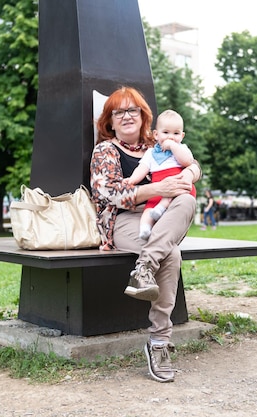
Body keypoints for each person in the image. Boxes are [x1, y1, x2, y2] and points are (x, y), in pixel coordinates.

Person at [90, 86, 201, 383]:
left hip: (162, 219)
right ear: (110, 122)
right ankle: (160, 342)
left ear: (143, 117)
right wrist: (157, 189)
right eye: (119, 112)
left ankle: (144, 268)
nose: (127, 116)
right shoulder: (105, 150)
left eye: (133, 110)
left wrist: (190, 174)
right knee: (172, 254)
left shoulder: (158, 141)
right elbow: (109, 193)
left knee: (188, 199)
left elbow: (192, 163)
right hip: (123, 220)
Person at [123, 109, 196, 240]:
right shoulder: (151, 153)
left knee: (170, 197)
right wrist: (132, 180)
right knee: (147, 210)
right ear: (156, 135)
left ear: (182, 136)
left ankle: (162, 207)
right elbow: (142, 168)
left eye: (176, 133)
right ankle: (145, 228)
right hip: (158, 189)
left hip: (178, 186)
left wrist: (174, 147)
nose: (171, 137)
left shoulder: (181, 148)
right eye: (166, 132)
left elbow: (188, 161)